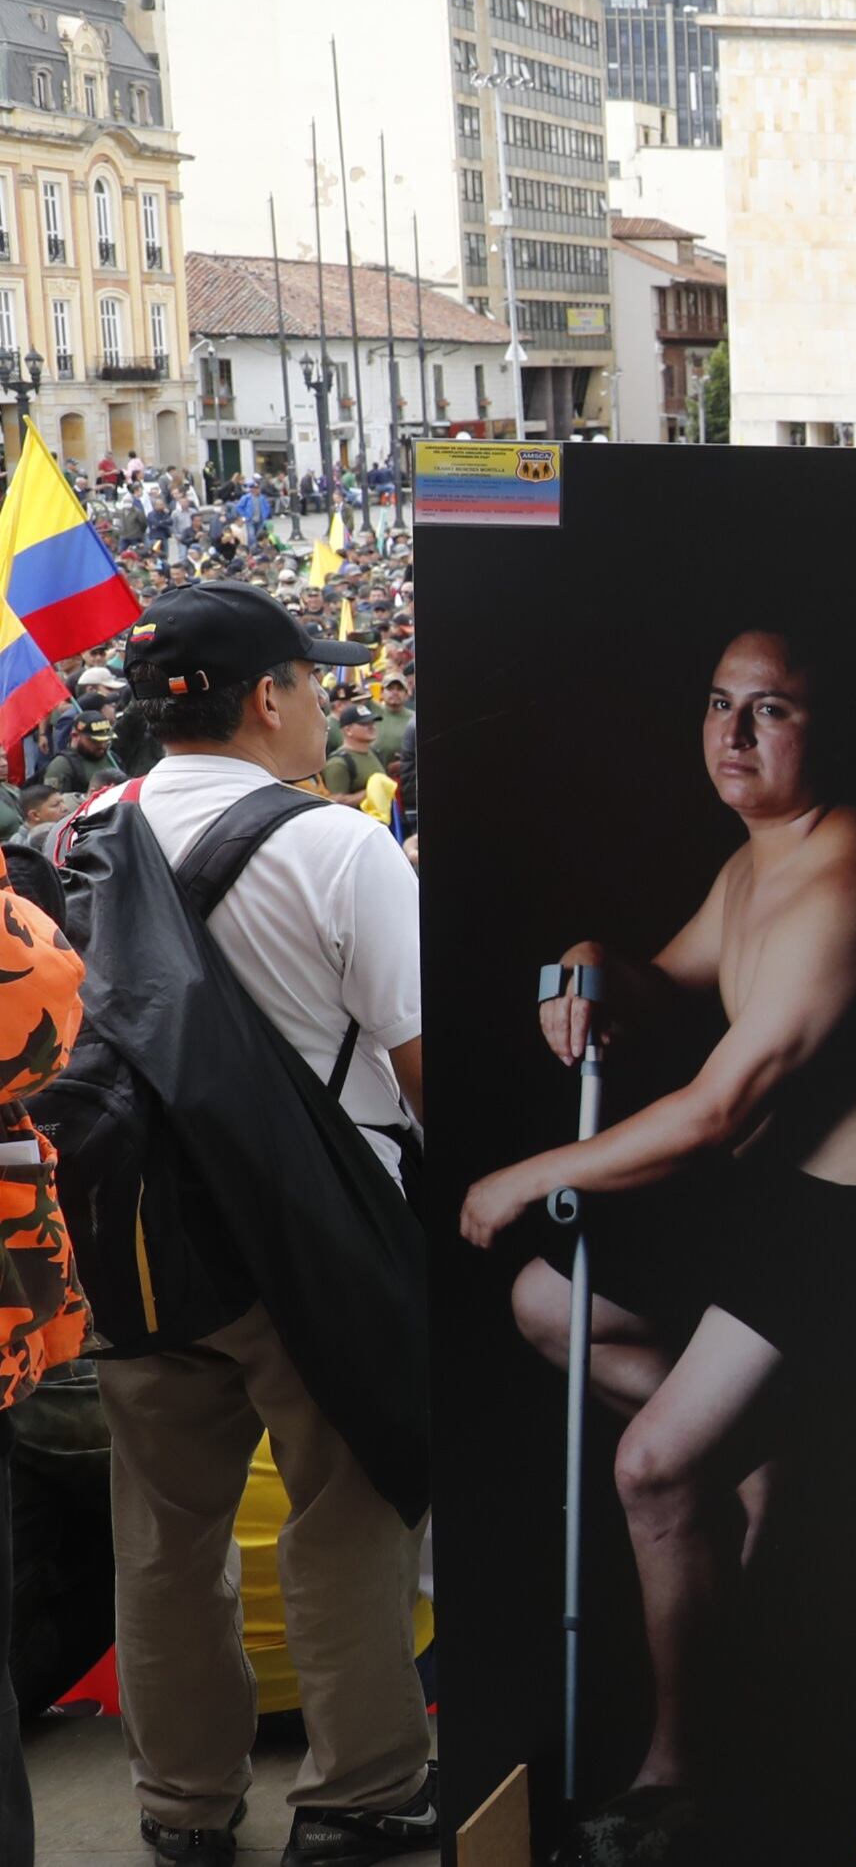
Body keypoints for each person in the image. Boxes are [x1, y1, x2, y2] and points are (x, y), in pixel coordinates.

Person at [458, 627, 856, 1861]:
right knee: (540, 1300)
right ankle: (759, 1444)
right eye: (720, 705)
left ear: (820, 730)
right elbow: (668, 982)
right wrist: (591, 962)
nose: (733, 736)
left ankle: (682, 1772)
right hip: (784, 1212)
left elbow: (721, 1107)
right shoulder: (756, 860)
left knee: (650, 1466)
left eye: (770, 710)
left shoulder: (841, 864)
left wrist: (530, 1171)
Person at [97, 583, 436, 1867]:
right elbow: (420, 1064)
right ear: (268, 697)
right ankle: (361, 1790)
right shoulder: (337, 845)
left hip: (136, 1236)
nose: (329, 699)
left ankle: (181, 1803)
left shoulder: (83, 827)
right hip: (312, 1231)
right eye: (314, 678)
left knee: (163, 1535)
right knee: (346, 1511)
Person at [320, 703, 387, 804]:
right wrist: (369, 793)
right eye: (364, 724)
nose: (371, 727)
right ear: (348, 730)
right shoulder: (338, 763)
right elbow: (334, 803)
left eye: (373, 722)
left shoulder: (375, 753)